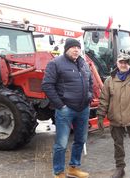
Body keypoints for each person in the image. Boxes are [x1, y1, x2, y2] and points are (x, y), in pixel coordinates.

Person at [42, 38, 92, 178]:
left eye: (78, 47)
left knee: (80, 140)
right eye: (73, 47)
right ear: (66, 48)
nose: (76, 49)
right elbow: (47, 85)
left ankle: (73, 168)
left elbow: (90, 81)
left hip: (83, 108)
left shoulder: (83, 63)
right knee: (61, 143)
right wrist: (60, 105)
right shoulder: (56, 63)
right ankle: (58, 172)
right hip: (66, 109)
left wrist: (89, 96)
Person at [96, 53, 130, 178]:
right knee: (118, 145)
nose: (124, 64)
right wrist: (100, 116)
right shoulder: (110, 81)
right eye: (121, 62)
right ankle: (120, 168)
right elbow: (104, 100)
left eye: (126, 62)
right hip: (115, 119)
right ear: (117, 63)